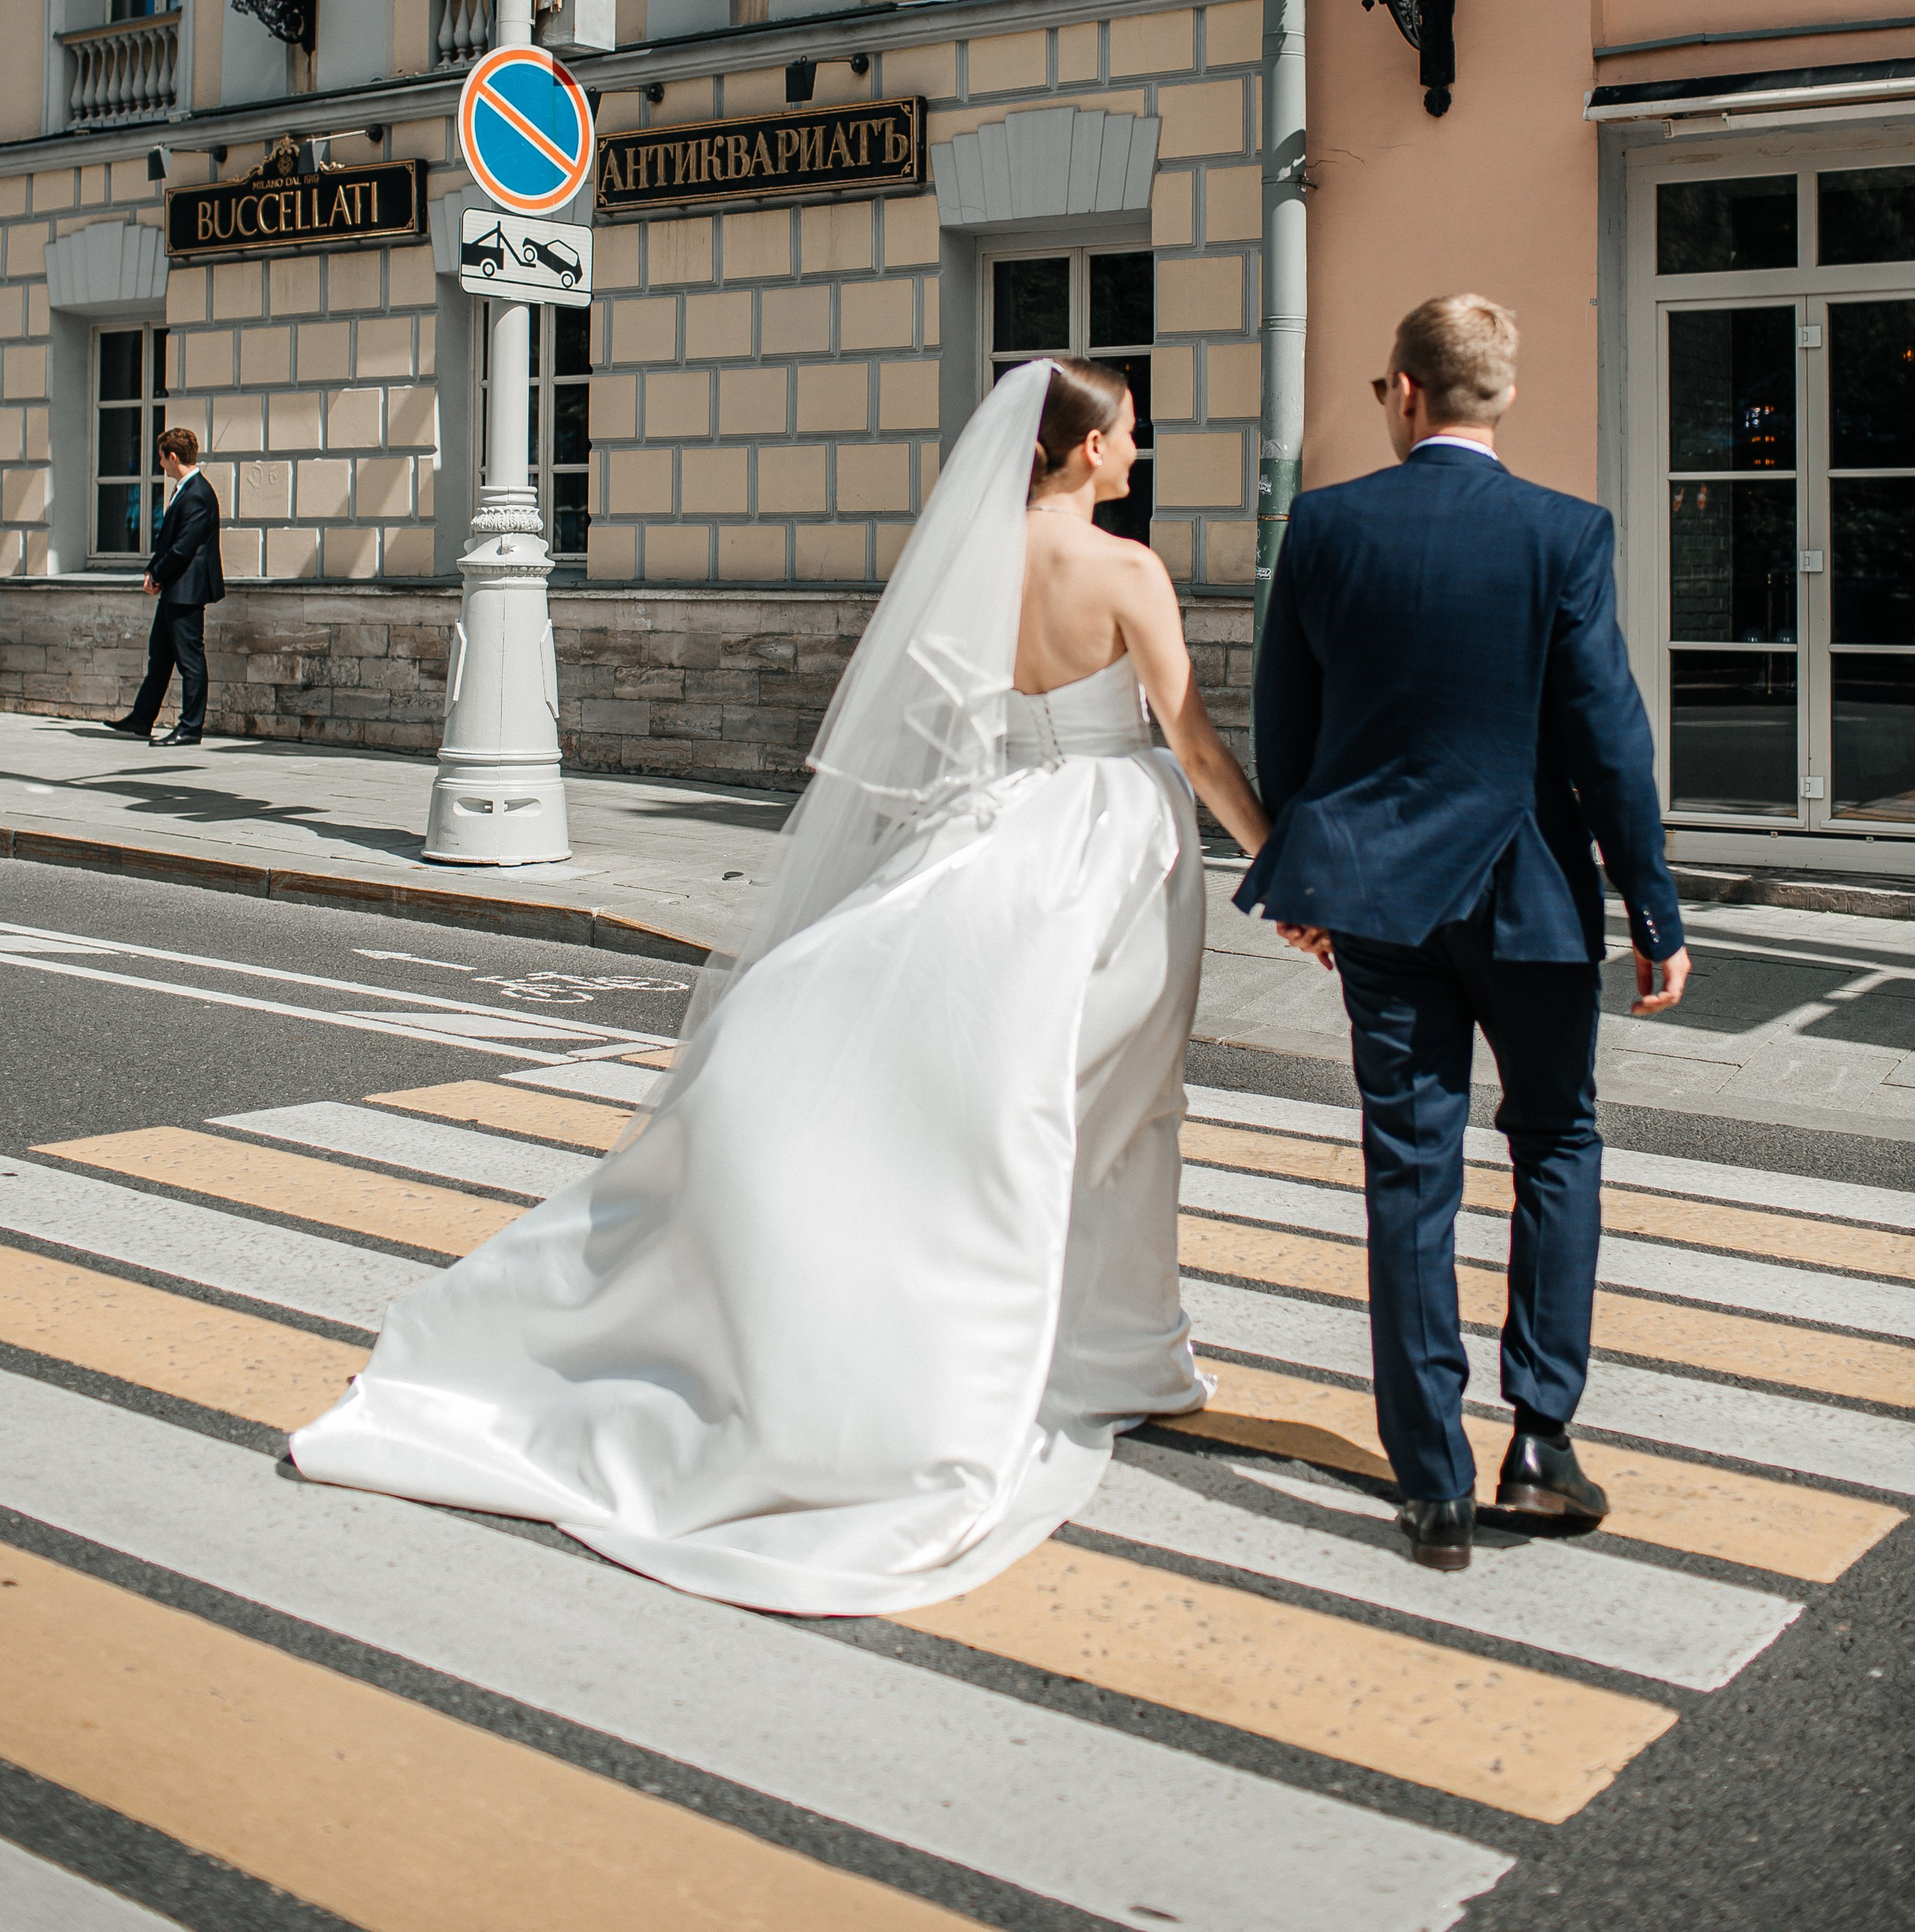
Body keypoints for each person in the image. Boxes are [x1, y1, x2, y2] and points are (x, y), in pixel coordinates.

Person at [291, 358, 1268, 1613]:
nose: (1137, 450)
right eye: (1128, 432)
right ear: (1083, 450)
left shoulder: (975, 559)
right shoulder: (1125, 568)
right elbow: (1193, 742)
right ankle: (1110, 1354)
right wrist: (1275, 855)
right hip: (1109, 852)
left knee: (995, 1110)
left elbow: (940, 726)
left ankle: (1056, 1341)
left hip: (996, 837)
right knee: (1115, 1109)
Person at [1237, 294, 1689, 1574]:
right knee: (1556, 1141)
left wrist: (1307, 878)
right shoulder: (1564, 533)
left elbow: (1286, 724)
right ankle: (1540, 1441)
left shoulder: (1325, 527)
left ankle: (1431, 1484)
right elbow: (1609, 738)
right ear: (1501, 396)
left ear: (1405, 391)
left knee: (1409, 1170)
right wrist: (1652, 907)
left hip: (1381, 903)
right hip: (1531, 900)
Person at [104, 426, 226, 749]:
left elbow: (184, 547)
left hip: (187, 590)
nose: (160, 464)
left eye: (161, 458)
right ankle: (142, 718)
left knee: (190, 661)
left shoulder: (198, 493)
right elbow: (172, 542)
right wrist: (154, 569)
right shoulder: (185, 490)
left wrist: (156, 573)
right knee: (160, 655)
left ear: (173, 457)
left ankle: (191, 728)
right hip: (176, 588)